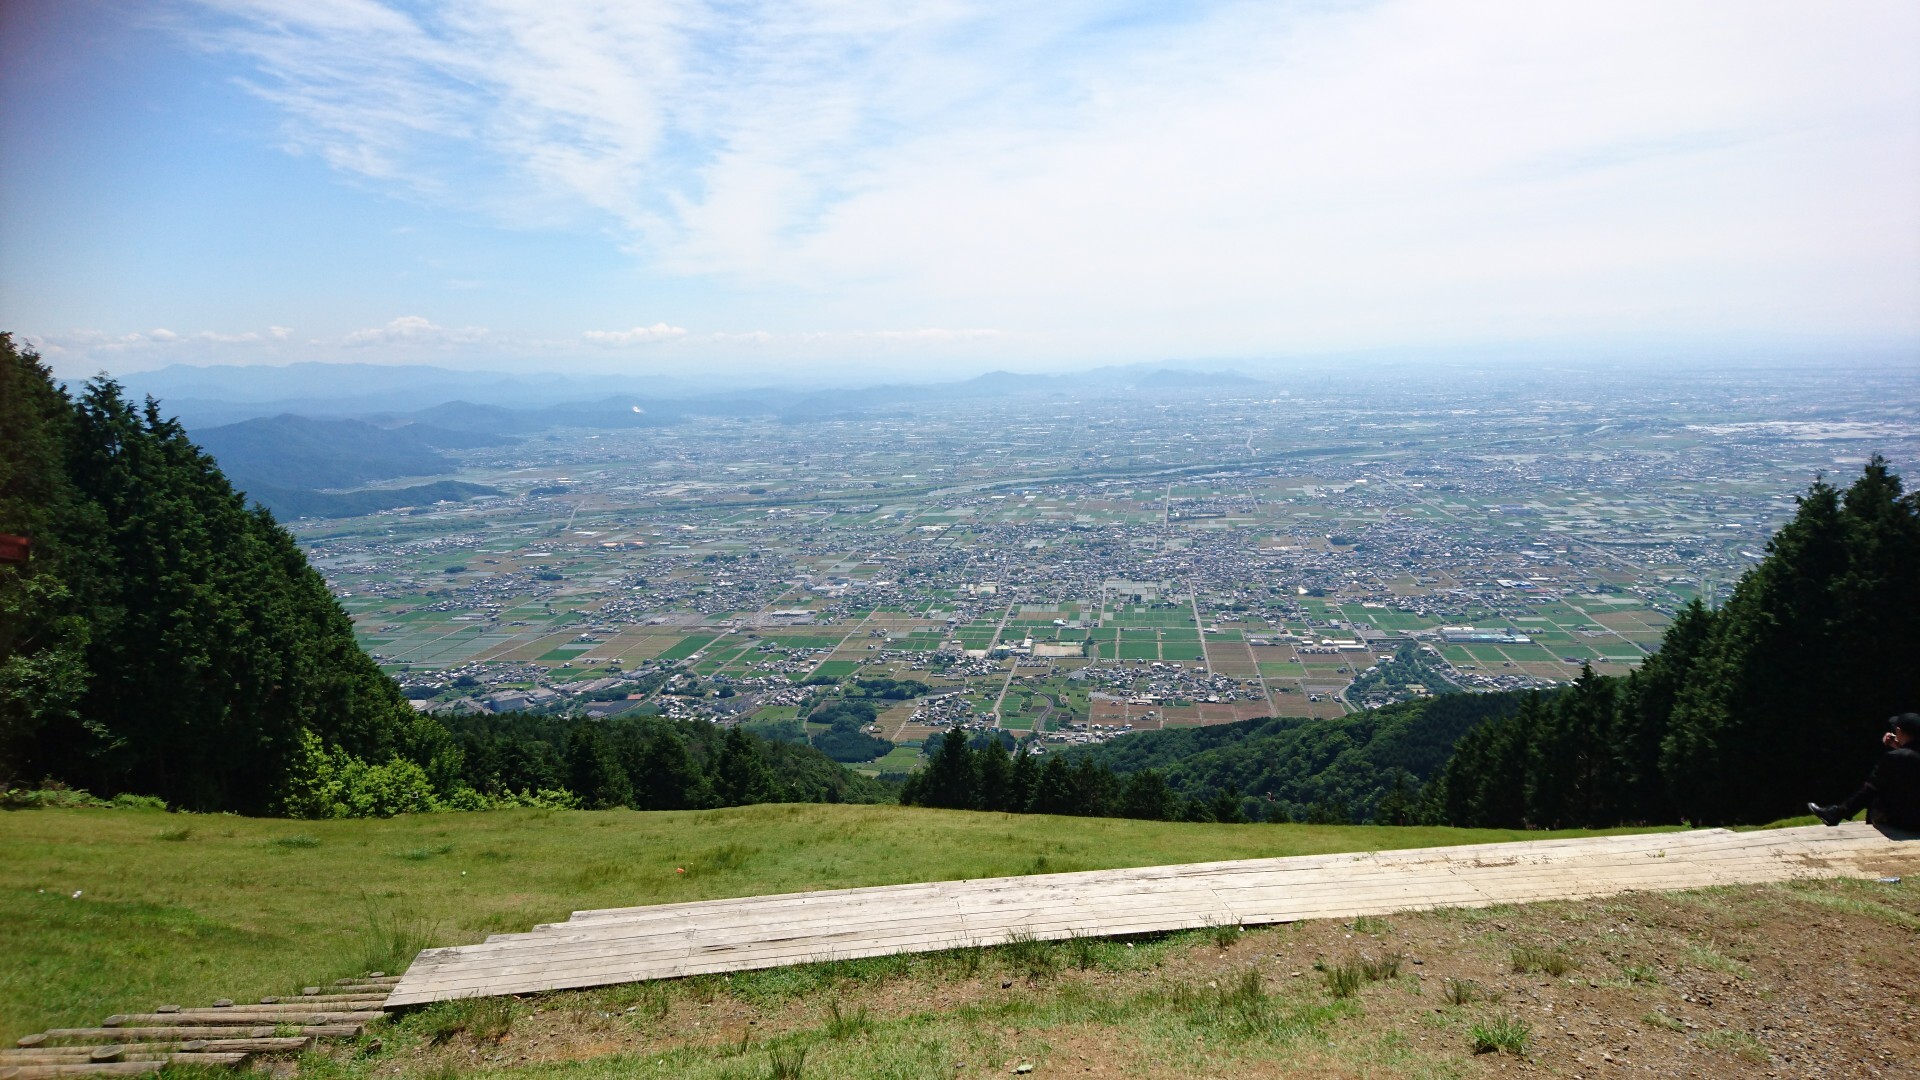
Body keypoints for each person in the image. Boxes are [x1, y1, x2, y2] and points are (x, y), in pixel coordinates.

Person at [1809, 713, 1920, 829]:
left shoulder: (1895, 757)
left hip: (1902, 821)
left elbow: (1871, 788)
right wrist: (1900, 748)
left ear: (1899, 731)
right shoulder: (1903, 756)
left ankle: (1835, 814)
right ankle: (1837, 813)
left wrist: (1841, 811)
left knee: (1875, 790)